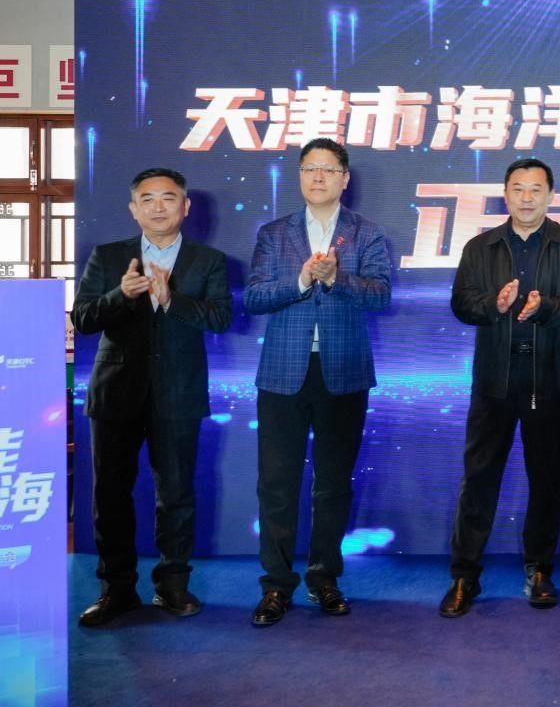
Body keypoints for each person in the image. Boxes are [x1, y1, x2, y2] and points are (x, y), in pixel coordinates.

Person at [72, 168, 232, 626]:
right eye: (147, 199)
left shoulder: (208, 260)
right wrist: (120, 295)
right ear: (133, 208)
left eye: (168, 197)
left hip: (179, 393)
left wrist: (170, 299)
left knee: (176, 494)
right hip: (115, 394)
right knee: (110, 494)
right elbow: (82, 319)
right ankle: (117, 590)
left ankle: (172, 586)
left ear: (186, 206)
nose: (158, 207)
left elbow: (220, 318)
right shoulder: (108, 256)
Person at [244, 138, 391, 627]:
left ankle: (325, 578)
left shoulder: (367, 233)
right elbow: (255, 298)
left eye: (329, 169)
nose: (319, 177)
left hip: (343, 374)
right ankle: (276, 585)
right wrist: (303, 281)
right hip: (283, 375)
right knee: (277, 485)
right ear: (300, 176)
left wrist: (335, 279)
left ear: (345, 179)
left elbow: (380, 296)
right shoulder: (274, 234)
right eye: (310, 168)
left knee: (332, 484)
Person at [439, 158, 560, 618]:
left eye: (536, 189)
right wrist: (495, 303)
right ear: (505, 194)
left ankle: (539, 569)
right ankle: (465, 576)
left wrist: (544, 307)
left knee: (546, 480)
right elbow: (461, 304)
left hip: (549, 380)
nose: (527, 198)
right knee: (479, 479)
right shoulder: (480, 247)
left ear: (551, 195)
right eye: (518, 189)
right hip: (494, 382)